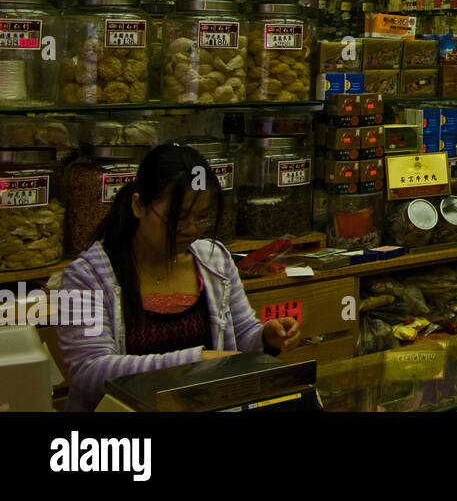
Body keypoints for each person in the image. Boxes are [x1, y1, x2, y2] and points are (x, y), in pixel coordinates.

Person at [57, 144, 301, 412]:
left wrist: (266, 338)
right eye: (179, 218)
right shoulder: (86, 276)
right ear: (139, 205)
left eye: (202, 218)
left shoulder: (214, 261)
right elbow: (89, 371)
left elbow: (241, 336)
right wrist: (194, 363)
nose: (192, 230)